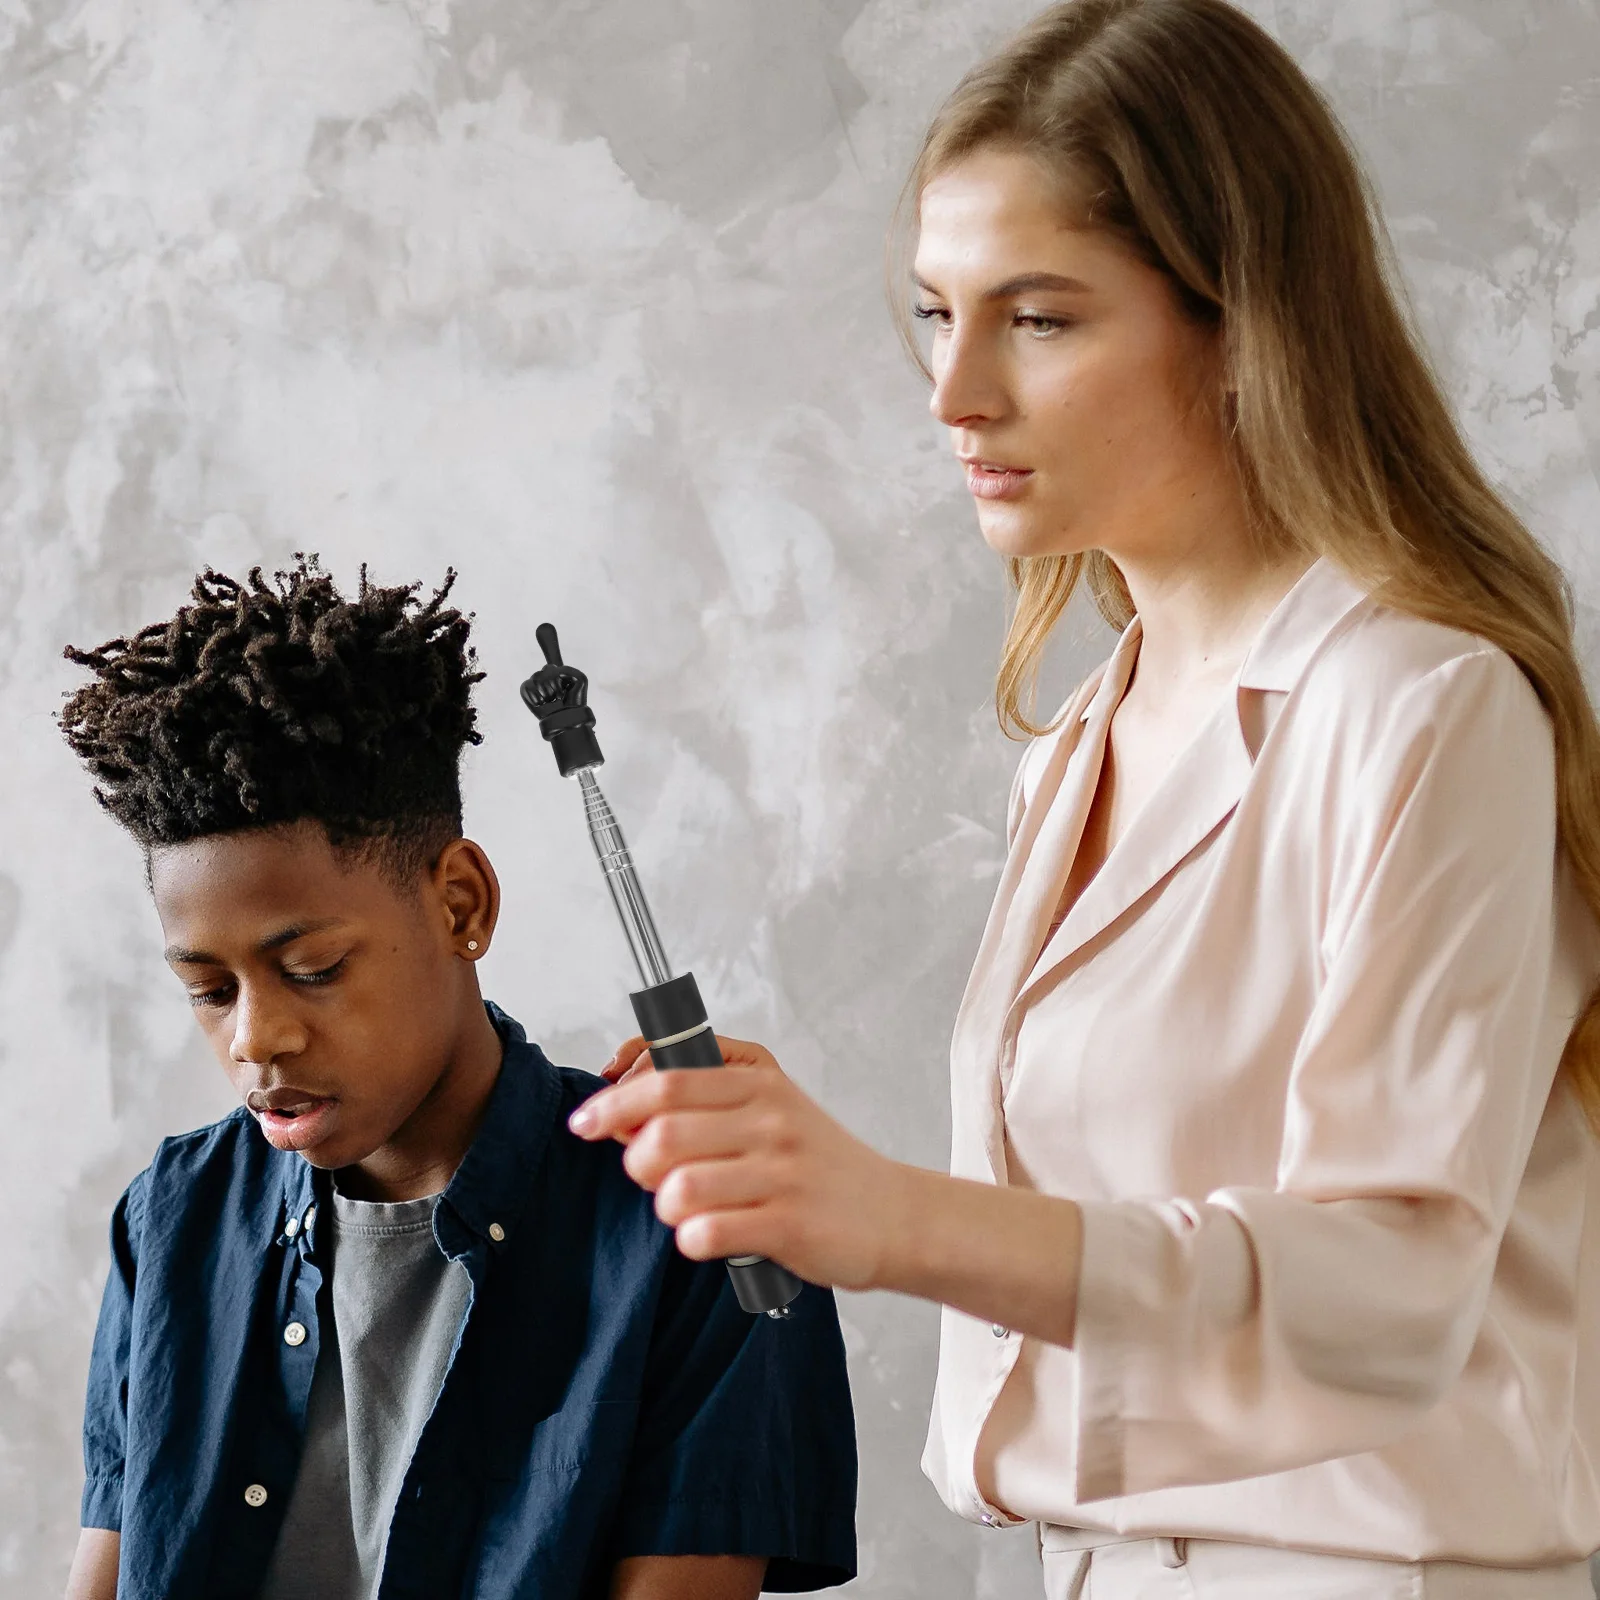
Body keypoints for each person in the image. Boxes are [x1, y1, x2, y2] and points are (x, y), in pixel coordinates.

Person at [568, 1, 1600, 1594]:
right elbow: (1124, 1232)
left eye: (1038, 320)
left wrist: (894, 1217)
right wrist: (804, 1170)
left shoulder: (1423, 708)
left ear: (1243, 322)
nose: (954, 392)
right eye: (934, 313)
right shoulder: (1083, 741)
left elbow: (1395, 1291)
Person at [56, 559, 857, 1600]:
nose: (258, 1038)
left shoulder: (698, 1227)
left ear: (461, 904)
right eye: (209, 989)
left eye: (313, 970)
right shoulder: (170, 1220)